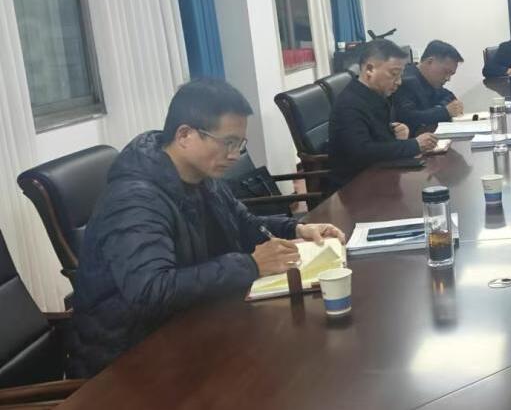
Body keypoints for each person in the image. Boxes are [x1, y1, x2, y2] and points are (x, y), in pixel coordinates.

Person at [69, 79, 347, 378]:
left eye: (240, 145)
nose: (235, 155)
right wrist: (250, 265)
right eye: (228, 143)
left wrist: (297, 229)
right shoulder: (134, 200)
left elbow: (243, 225)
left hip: (192, 327)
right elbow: (151, 290)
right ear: (185, 135)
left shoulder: (200, 177)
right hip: (132, 361)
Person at [328, 39, 438, 191]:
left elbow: (376, 137)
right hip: (355, 188)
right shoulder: (349, 104)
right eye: (394, 74)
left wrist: (395, 133)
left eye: (400, 75)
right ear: (370, 69)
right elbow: (362, 152)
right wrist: (414, 145)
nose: (399, 82)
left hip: (380, 176)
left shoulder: (376, 95)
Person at [394, 40, 465, 133]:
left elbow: (450, 97)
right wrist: (444, 112)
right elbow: (409, 118)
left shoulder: (430, 81)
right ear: (430, 62)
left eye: (451, 74)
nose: (448, 78)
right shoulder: (406, 81)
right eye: (446, 72)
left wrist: (439, 108)